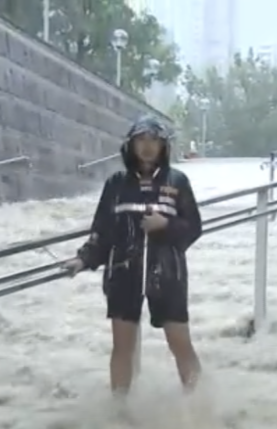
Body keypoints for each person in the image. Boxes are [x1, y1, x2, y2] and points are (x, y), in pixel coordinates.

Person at [63, 115, 203, 397]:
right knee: (122, 347)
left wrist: (166, 225)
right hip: (123, 273)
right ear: (130, 145)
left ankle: (199, 403)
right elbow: (102, 231)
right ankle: (119, 408)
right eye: (141, 140)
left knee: (180, 343)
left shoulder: (178, 181)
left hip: (168, 275)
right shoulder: (116, 183)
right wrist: (83, 259)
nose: (147, 147)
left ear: (164, 146)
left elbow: (194, 228)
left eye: (154, 141)